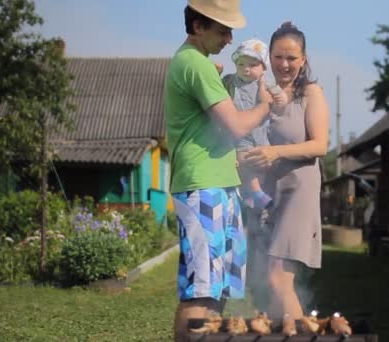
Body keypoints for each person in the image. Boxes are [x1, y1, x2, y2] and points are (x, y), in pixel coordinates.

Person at [163, 1, 273, 341]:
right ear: (198, 27)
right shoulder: (194, 64)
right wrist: (265, 106)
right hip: (202, 188)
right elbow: (237, 125)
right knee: (201, 290)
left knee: (219, 288)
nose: (229, 38)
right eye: (223, 30)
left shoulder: (203, 66)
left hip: (222, 186)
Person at [242, 21, 330, 320]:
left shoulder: (311, 93)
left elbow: (319, 145)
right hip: (267, 196)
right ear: (269, 56)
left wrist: (274, 152)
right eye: (278, 56)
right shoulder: (262, 94)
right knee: (265, 285)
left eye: (292, 57)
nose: (285, 64)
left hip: (298, 193)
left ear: (303, 60)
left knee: (279, 278)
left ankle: (302, 333)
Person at [222, 38, 288, 210]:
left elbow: (282, 101)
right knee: (245, 160)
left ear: (263, 68)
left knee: (261, 165)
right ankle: (255, 193)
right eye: (241, 64)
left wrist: (280, 100)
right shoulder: (231, 81)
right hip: (241, 133)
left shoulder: (267, 84)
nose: (246, 69)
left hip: (262, 133)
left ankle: (253, 194)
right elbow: (217, 87)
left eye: (252, 65)